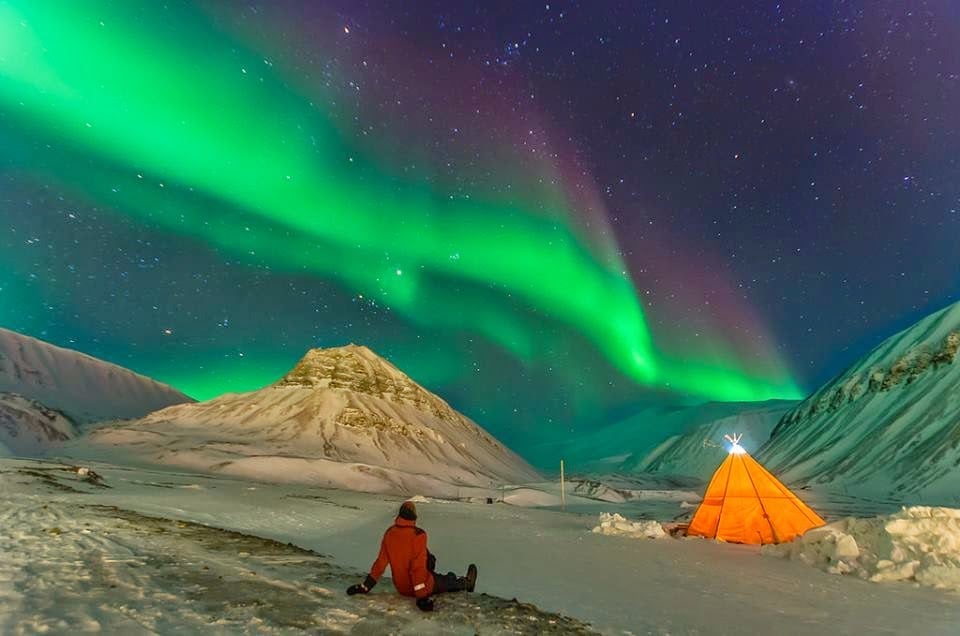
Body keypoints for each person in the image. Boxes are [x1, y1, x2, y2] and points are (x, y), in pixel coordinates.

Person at [346, 500, 477, 611]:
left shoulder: (389, 533)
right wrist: (421, 597)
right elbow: (418, 568)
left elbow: (380, 564)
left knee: (431, 563)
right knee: (446, 580)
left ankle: (449, 578)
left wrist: (365, 586)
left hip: (401, 588)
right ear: (414, 516)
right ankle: (466, 583)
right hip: (420, 586)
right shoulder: (418, 535)